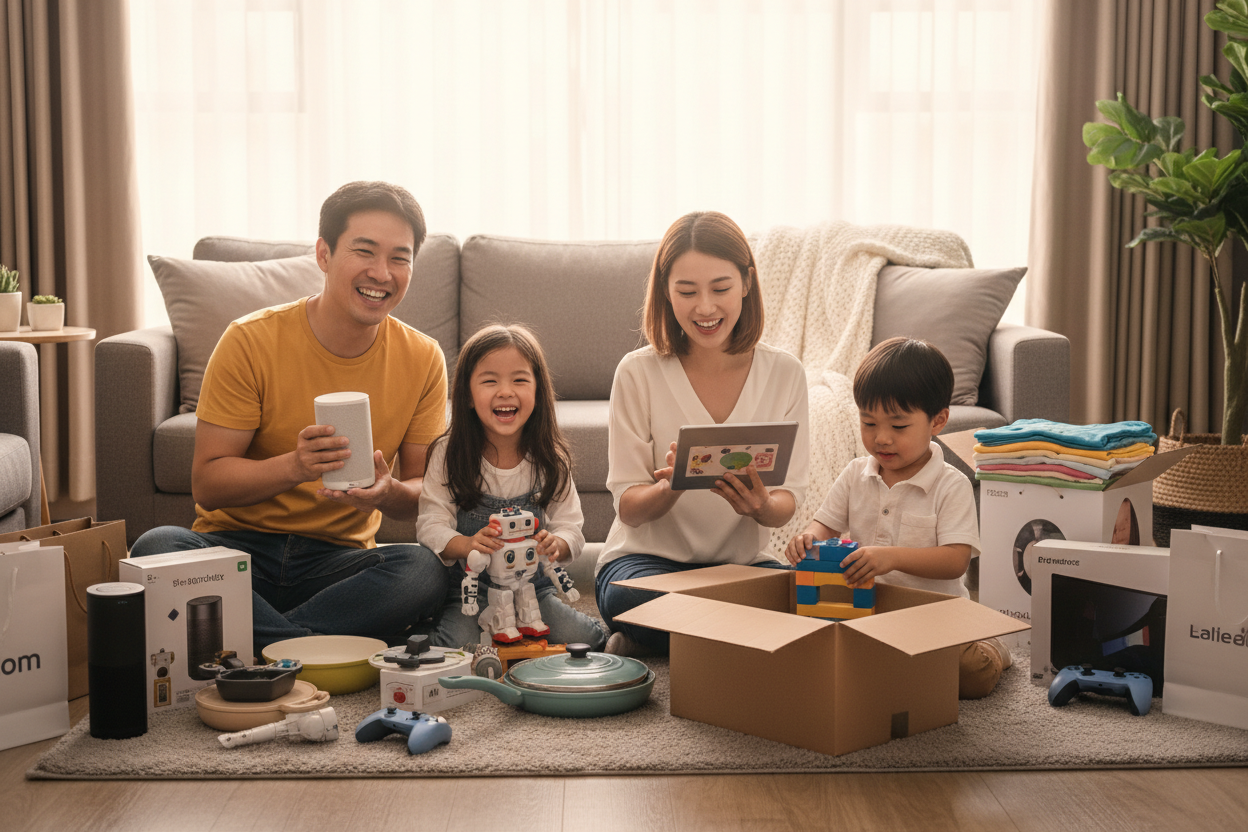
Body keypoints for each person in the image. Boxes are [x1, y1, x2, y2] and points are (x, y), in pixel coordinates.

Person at [130, 181, 450, 659]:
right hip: (235, 553)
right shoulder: (249, 341)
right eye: (365, 251)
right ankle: (310, 649)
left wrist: (388, 494)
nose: (381, 273)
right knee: (157, 547)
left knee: (424, 570)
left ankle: (254, 646)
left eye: (399, 258)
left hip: (336, 563)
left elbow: (427, 492)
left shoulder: (423, 357)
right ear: (323, 254)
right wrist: (295, 467)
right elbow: (209, 486)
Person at [595, 211, 810, 656]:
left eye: (721, 288)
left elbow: (787, 501)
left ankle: (663, 638)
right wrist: (670, 487)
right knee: (625, 598)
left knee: (811, 598)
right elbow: (629, 510)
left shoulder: (785, 373)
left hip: (741, 566)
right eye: (687, 291)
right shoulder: (637, 373)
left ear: (747, 283)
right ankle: (731, 634)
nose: (706, 308)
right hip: (646, 566)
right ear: (665, 292)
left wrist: (762, 506)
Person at [783, 336, 1010, 699]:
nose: (881, 439)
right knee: (820, 658)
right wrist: (806, 537)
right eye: (868, 423)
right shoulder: (855, 474)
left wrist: (889, 556)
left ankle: (991, 646)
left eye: (898, 427)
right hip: (868, 611)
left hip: (934, 616)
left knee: (970, 677)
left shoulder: (950, 485)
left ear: (938, 421)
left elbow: (955, 561)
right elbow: (823, 524)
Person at [416, 323, 607, 650]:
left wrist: (557, 543)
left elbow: (571, 525)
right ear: (468, 396)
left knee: (587, 640)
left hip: (531, 588)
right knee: (456, 646)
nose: (505, 391)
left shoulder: (551, 459)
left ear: (538, 391)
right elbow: (430, 524)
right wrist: (467, 544)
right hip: (470, 591)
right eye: (490, 381)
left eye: (519, 380)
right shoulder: (449, 453)